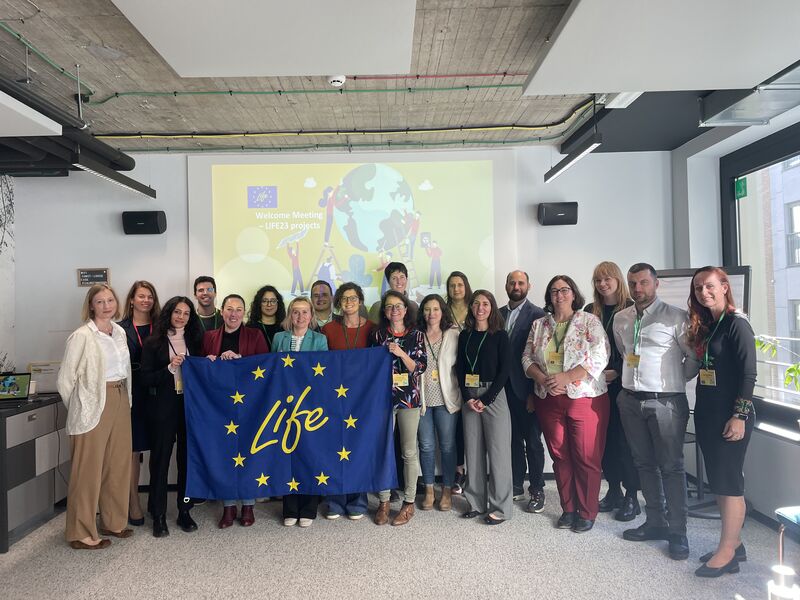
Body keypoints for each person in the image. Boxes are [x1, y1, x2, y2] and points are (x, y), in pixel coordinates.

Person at [613, 263, 700, 560]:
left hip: (666, 402)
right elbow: (624, 352)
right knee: (643, 464)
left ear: (656, 284)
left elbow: (692, 359)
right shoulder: (621, 318)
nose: (638, 289)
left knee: (671, 466)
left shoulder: (676, 317)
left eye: (644, 283)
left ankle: (678, 531)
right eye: (633, 283)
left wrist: (673, 382)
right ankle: (655, 522)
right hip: (629, 400)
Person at [522, 275, 610, 533]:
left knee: (586, 456)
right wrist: (543, 379)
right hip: (548, 397)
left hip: (584, 397)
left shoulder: (589, 321)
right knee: (560, 456)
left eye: (564, 290)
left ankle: (587, 511)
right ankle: (569, 509)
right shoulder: (539, 325)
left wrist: (567, 377)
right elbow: (527, 357)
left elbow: (601, 354)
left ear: (574, 294)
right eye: (554, 291)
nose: (559, 295)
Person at [687, 266, 756, 577]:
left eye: (710, 286)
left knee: (729, 484)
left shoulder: (737, 324)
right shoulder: (708, 326)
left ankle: (726, 552)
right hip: (708, 414)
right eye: (698, 288)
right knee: (719, 481)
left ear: (725, 287)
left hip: (732, 416)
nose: (704, 292)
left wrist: (739, 416)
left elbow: (749, 375)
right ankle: (735, 543)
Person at [57, 284, 133, 549]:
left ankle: (113, 522)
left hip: (121, 396)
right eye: (100, 302)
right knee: (87, 470)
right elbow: (65, 380)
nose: (106, 306)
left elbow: (125, 369)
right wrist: (80, 407)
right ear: (91, 305)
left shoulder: (119, 332)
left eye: (110, 300)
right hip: (92, 403)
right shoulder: (82, 336)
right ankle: (81, 532)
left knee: (118, 464)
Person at [202, 294, 269, 528]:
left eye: (239, 309)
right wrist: (208, 361)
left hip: (250, 404)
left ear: (244, 313)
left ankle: (248, 505)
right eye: (229, 309)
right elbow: (201, 371)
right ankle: (229, 506)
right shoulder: (209, 337)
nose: (234, 314)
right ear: (221, 311)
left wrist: (241, 360)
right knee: (225, 454)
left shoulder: (255, 335)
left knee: (249, 452)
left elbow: (265, 366)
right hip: (220, 405)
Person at [140, 296, 204, 538]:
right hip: (163, 407)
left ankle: (184, 510)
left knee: (187, 460)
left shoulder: (195, 340)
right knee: (161, 460)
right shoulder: (153, 342)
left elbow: (202, 369)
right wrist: (169, 368)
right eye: (177, 312)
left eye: (186, 313)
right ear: (169, 313)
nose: (181, 317)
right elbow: (145, 378)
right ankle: (158, 514)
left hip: (189, 406)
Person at [585, 261, 641, 521]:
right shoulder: (589, 311)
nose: (602, 284)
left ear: (618, 280)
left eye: (607, 279)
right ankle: (614, 490)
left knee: (625, 442)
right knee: (604, 442)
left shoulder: (632, 309)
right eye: (598, 280)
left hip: (624, 385)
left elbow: (636, 349)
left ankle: (632, 496)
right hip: (596, 387)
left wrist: (617, 371)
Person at [456, 290, 513, 525]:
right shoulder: (465, 335)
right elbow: (460, 368)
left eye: (486, 304)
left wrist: (487, 398)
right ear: (471, 307)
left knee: (498, 453)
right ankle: (476, 503)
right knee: (473, 451)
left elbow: (505, 371)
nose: (481, 308)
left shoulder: (500, 335)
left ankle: (500, 507)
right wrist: (467, 397)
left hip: (494, 395)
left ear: (492, 308)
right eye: (476, 303)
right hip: (470, 397)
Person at [371, 290, 427, 526]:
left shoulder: (417, 335)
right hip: (382, 400)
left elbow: (419, 368)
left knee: (409, 451)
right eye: (389, 306)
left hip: (409, 399)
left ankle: (409, 502)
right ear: (385, 312)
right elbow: (370, 368)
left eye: (398, 306)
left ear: (405, 310)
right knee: (383, 449)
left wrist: (401, 352)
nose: (394, 310)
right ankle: (384, 501)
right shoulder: (378, 335)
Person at [272, 296, 329, 527]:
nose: (300, 316)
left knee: (309, 454)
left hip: (310, 406)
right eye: (296, 311)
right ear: (290, 315)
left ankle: (308, 508)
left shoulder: (320, 339)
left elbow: (323, 372)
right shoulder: (279, 338)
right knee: (288, 454)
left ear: (311, 315)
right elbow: (272, 370)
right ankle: (290, 508)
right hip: (285, 406)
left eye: (305, 312)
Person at [321, 282, 376, 520]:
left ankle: (358, 501)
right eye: (344, 299)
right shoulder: (328, 330)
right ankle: (334, 501)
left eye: (353, 298)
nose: (349, 302)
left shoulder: (373, 329)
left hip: (363, 398)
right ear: (338, 303)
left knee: (359, 447)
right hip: (334, 397)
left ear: (360, 301)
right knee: (334, 447)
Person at [500, 270, 547, 513]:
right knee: (512, 440)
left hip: (527, 390)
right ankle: (516, 483)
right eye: (512, 282)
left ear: (529, 286)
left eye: (520, 283)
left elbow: (538, 357)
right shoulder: (498, 314)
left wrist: (532, 392)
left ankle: (537, 488)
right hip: (503, 390)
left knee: (533, 441)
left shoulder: (538, 315)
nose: (516, 286)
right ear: (506, 285)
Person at [117, 280, 160, 526]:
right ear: (132, 300)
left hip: (158, 392)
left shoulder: (161, 326)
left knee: (158, 448)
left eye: (150, 296)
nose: (146, 300)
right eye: (141, 296)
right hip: (131, 392)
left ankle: (156, 501)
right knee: (132, 449)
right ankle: (133, 502)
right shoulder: (119, 329)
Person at [416, 294, 462, 511]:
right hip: (423, 400)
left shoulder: (453, 334)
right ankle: (428, 490)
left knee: (447, 446)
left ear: (442, 312)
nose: (431, 313)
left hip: (446, 399)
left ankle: (446, 490)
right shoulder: (416, 335)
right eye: (427, 309)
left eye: (435, 309)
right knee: (426, 446)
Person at [445, 270, 472, 493]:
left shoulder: (475, 307)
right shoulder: (443, 311)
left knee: (472, 423)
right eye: (452, 285)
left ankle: (476, 472)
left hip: (473, 370)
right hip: (449, 373)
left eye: (460, 285)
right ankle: (459, 471)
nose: (456, 289)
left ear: (466, 286)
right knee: (457, 427)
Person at [246, 284, 285, 350]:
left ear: (278, 303)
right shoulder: (250, 327)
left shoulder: (285, 326)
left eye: (273, 301)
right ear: (259, 303)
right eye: (264, 301)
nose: (269, 304)